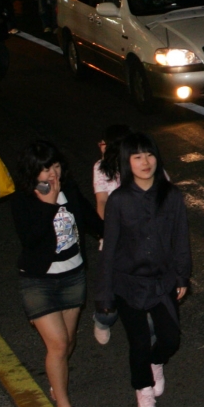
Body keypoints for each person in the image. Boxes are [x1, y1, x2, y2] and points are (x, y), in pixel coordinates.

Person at [99, 131, 192, 407]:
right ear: (127, 162)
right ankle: (143, 392)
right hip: (128, 283)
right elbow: (110, 248)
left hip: (162, 282)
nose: (145, 161)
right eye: (137, 156)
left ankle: (156, 363)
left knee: (170, 338)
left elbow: (181, 239)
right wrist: (105, 294)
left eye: (149, 154)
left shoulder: (171, 195)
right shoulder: (119, 200)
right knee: (138, 342)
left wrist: (182, 276)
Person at [12, 139, 103, 407]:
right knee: (59, 344)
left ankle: (57, 377)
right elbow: (31, 239)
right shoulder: (23, 200)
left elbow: (93, 222)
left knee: (70, 341)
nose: (51, 174)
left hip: (72, 276)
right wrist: (49, 205)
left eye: (55, 166)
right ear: (31, 173)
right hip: (39, 279)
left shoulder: (71, 191)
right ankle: (64, 406)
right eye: (43, 169)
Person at [90, 123, 132, 345]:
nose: (100, 145)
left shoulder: (138, 164)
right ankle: (102, 319)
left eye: (103, 142)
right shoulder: (101, 167)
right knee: (110, 299)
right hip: (115, 237)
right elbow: (102, 201)